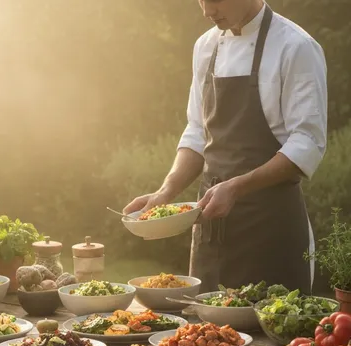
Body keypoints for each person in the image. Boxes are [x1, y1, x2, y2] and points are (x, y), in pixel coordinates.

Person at [123, 0, 327, 295]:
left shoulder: (296, 47)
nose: (207, 10)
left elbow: (307, 142)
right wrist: (166, 192)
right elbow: (197, 132)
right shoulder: (205, 47)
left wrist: (235, 187)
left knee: (273, 334)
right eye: (201, 0)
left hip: (271, 229)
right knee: (206, 335)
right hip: (211, 233)